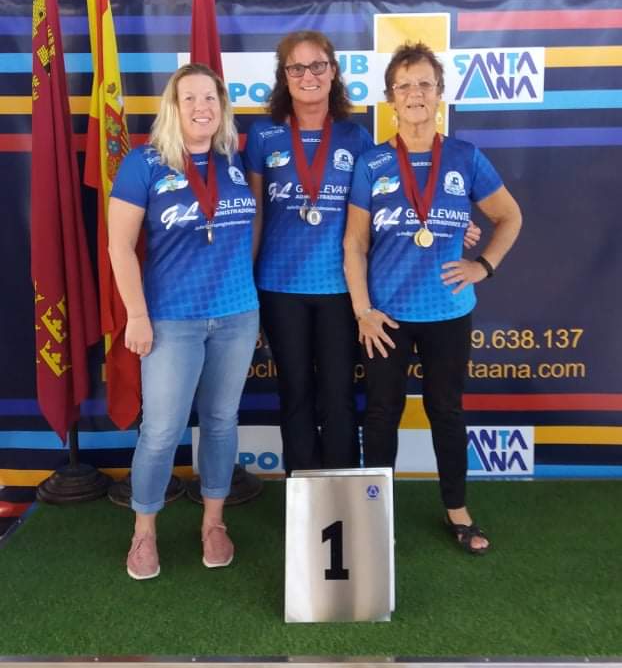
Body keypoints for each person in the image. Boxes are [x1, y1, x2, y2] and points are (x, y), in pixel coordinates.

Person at [344, 41, 522, 554]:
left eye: (424, 84)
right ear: (390, 99)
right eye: (404, 86)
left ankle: (457, 510)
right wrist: (362, 309)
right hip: (386, 316)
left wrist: (483, 265)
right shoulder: (373, 163)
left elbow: (510, 217)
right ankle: (375, 513)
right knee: (381, 413)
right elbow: (354, 242)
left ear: (439, 94)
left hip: (447, 311)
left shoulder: (464, 157)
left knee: (446, 410)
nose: (415, 94)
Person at [108, 63, 259, 580]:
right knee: (161, 430)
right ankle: (143, 533)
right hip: (171, 319)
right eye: (190, 98)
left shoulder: (234, 160)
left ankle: (213, 523)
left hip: (237, 315)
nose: (202, 108)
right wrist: (137, 315)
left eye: (211, 98)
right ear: (173, 108)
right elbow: (119, 246)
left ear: (223, 107)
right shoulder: (144, 164)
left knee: (220, 422)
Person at [245, 31, 373, 473]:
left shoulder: (357, 138)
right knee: (295, 391)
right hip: (279, 286)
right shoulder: (263, 136)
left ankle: (343, 492)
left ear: (333, 71)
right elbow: (256, 213)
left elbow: (378, 213)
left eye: (317, 65)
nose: (308, 75)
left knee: (338, 392)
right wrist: (248, 284)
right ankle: (304, 490)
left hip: (340, 287)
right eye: (296, 68)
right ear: (284, 77)